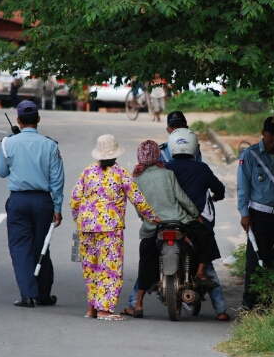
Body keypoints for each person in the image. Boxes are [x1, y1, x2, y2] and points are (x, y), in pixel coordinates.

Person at [71, 134, 159, 321]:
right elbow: (137, 199)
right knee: (109, 268)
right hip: (110, 228)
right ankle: (104, 310)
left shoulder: (87, 171)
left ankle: (92, 308)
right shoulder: (120, 173)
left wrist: (79, 221)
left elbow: (75, 200)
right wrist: (152, 217)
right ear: (116, 153)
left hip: (86, 227)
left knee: (91, 267)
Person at [0, 100, 65, 308]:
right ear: (38, 119)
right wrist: (58, 207)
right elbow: (57, 180)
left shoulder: (8, 143)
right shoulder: (50, 145)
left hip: (18, 201)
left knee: (20, 247)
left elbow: (1, 172)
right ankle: (43, 294)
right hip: (43, 202)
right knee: (41, 246)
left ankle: (27, 295)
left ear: (18, 120)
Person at [127, 140, 205, 318]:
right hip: (178, 221)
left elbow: (140, 209)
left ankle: (138, 304)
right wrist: (195, 214)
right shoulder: (168, 174)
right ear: (157, 155)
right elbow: (182, 198)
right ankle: (201, 274)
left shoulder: (136, 180)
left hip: (153, 227)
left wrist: (148, 220)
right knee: (202, 240)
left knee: (146, 260)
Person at [164, 128, 229, 320]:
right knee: (207, 264)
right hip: (195, 222)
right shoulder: (202, 169)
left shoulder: (165, 168)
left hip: (169, 221)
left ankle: (136, 303)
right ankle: (220, 310)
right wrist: (216, 196)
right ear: (193, 147)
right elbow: (220, 189)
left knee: (151, 256)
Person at [237, 116, 274, 310]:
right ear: (263, 133)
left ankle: (270, 302)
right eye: (272, 134)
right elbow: (243, 187)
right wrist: (244, 213)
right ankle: (250, 304)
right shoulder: (250, 155)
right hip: (258, 216)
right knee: (255, 260)